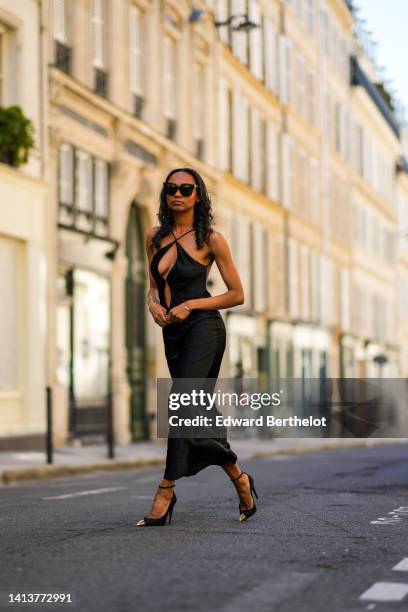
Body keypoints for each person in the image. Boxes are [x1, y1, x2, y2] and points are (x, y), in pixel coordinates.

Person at [135, 167, 259, 526]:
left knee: (181, 403)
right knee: (197, 412)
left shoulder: (211, 240)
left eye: (186, 189)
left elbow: (237, 294)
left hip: (204, 328)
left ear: (197, 196)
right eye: (171, 188)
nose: (178, 194)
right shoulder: (153, 236)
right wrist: (152, 303)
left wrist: (192, 305)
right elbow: (154, 285)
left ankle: (165, 490)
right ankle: (239, 478)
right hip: (172, 333)